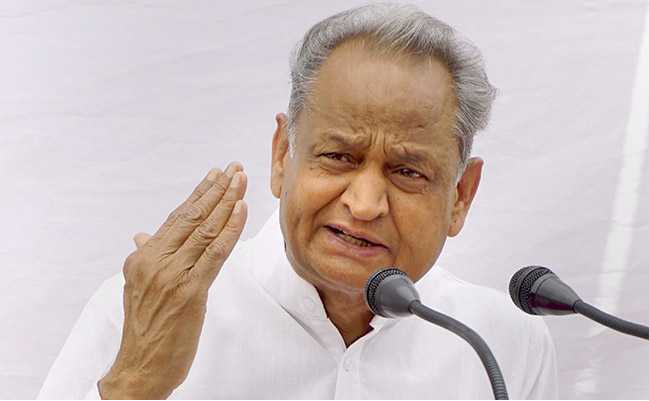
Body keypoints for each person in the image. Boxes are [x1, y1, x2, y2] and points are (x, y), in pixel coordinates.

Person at [38, 4, 558, 399]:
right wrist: (136, 379)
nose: (365, 204)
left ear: (461, 196)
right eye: (338, 157)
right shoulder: (146, 313)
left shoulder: (501, 343)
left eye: (407, 172)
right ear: (282, 156)